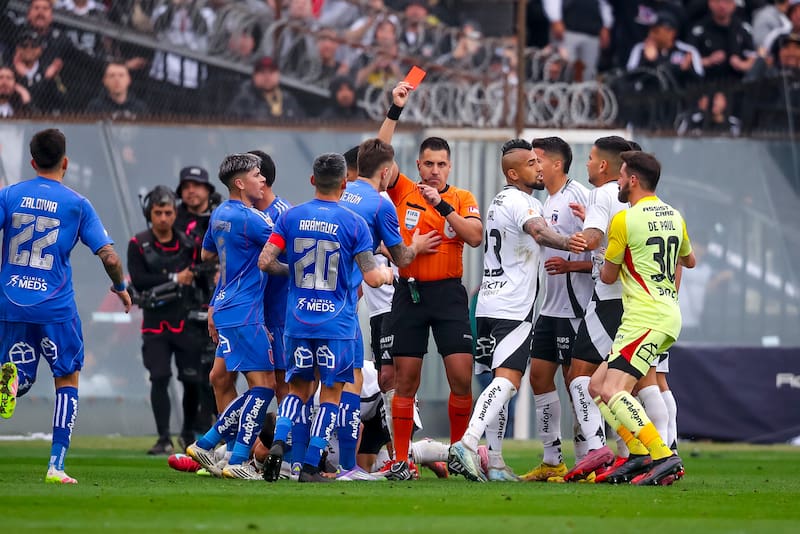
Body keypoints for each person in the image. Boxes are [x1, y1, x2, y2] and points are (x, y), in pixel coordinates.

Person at [0, 128, 132, 484]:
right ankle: (56, 466)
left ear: (32, 162)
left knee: (17, 374)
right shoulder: (77, 204)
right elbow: (109, 256)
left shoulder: (9, 195)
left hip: (10, 301)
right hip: (55, 307)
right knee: (67, 377)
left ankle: (15, 381)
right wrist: (120, 287)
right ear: (66, 162)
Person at [447, 139, 583, 482]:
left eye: (539, 161)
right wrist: (569, 242)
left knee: (499, 383)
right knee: (508, 382)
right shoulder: (523, 202)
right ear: (513, 173)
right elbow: (538, 231)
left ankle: (494, 462)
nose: (539, 168)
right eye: (531, 163)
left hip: (488, 305)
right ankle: (467, 442)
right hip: (512, 308)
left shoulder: (499, 200)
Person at [258, 152, 394, 483]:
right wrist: (387, 274)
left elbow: (265, 261)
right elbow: (372, 277)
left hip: (298, 321)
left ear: (312, 180)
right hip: (336, 324)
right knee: (332, 393)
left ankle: (279, 441)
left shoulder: (291, 217)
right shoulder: (354, 223)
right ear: (345, 183)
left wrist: (297, 273)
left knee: (297, 389)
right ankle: (309, 465)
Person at [378, 81, 483, 481]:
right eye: (428, 164)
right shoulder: (403, 190)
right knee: (405, 379)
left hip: (448, 294)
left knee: (461, 376)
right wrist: (395, 109)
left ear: (449, 167)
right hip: (409, 293)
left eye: (441, 164)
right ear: (418, 166)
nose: (434, 170)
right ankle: (403, 459)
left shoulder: (462, 198)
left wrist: (442, 207)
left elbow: (474, 237)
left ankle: (458, 453)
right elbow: (378, 152)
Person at [588, 150, 695, 486]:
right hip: (663, 313)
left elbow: (607, 276)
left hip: (645, 317)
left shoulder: (625, 220)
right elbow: (689, 260)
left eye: (620, 176)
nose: (618, 182)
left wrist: (605, 252)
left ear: (633, 180)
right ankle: (638, 454)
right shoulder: (674, 215)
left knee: (615, 390)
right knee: (596, 387)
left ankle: (662, 455)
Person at [336, 138, 441, 479]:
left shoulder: (343, 194)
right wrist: (417, 245)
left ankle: (400, 457)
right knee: (370, 379)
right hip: (369, 302)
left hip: (372, 304)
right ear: (385, 172)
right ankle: (409, 455)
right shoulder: (381, 202)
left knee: (376, 379)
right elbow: (400, 258)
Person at [186, 153, 277, 480]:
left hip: (226, 306)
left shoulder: (220, 213)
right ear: (240, 183)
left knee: (253, 385)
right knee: (264, 386)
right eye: (256, 175)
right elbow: (287, 247)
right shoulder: (253, 219)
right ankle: (233, 457)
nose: (262, 179)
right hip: (245, 311)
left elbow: (207, 254)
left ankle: (212, 446)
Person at [521, 137, 593, 482]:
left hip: (575, 306)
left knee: (576, 382)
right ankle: (552, 459)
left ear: (557, 164)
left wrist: (571, 267)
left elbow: (603, 252)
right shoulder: (545, 200)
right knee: (538, 377)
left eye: (537, 160)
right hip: (550, 307)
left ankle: (588, 459)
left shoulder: (578, 195)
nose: (534, 167)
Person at [561, 135, 633, 482]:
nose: (587, 164)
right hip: (635, 300)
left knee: (579, 376)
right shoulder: (637, 201)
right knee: (634, 383)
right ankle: (635, 454)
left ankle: (599, 449)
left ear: (604, 165)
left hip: (608, 299)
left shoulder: (602, 194)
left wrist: (565, 237)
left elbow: (590, 239)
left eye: (590, 158)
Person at [127, 185, 205, 454]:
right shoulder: (138, 244)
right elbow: (139, 280)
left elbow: (200, 276)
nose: (163, 218)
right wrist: (174, 278)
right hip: (155, 324)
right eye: (158, 212)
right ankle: (163, 438)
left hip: (185, 322)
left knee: (192, 379)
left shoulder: (188, 244)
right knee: (159, 377)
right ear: (150, 213)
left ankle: (188, 434)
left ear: (175, 214)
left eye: (168, 212)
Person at [226, 56, 305, 121]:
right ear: (254, 76)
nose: (267, 76)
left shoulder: (289, 100)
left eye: (271, 72)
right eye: (262, 72)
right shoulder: (243, 100)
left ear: (278, 75)